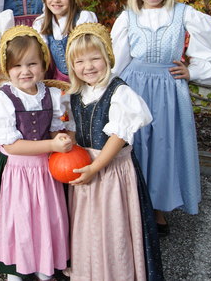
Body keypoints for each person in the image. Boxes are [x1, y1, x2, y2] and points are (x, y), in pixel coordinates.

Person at [111, 0, 211, 235]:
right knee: (135, 147)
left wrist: (193, 71)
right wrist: (111, 90)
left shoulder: (183, 14)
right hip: (135, 88)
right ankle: (134, 207)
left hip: (169, 91)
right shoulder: (128, 17)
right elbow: (118, 60)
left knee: (163, 148)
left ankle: (158, 210)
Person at [65, 22, 163, 280]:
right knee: (88, 223)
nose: (88, 67)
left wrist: (95, 167)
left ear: (108, 58)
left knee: (112, 224)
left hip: (111, 170)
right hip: (85, 165)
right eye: (80, 62)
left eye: (95, 58)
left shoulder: (119, 92)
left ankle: (115, 272)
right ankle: (90, 271)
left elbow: (118, 136)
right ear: (72, 66)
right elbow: (78, 130)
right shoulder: (77, 94)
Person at [0, 25, 73, 281]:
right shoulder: (1, 99)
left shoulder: (53, 96)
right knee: (20, 220)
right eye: (17, 66)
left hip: (46, 171)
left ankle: (45, 265)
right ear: (6, 68)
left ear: (43, 64)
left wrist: (61, 137)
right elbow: (11, 146)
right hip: (18, 172)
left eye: (32, 64)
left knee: (47, 218)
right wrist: (51, 146)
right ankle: (17, 268)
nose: (25, 71)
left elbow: (56, 129)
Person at [32, 0, 97, 81]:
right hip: (60, 80)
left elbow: (90, 52)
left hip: (84, 77)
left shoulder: (82, 19)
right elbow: (41, 57)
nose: (56, 0)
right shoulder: (41, 23)